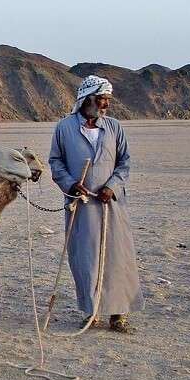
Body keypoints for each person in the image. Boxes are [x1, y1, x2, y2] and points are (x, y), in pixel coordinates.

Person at [48, 75, 144, 333]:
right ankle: (92, 312)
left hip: (111, 204)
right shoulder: (64, 128)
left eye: (108, 100)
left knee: (117, 258)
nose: (106, 105)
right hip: (81, 206)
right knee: (86, 259)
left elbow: (124, 162)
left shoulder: (114, 127)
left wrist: (111, 186)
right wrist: (70, 184)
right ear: (87, 99)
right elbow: (55, 162)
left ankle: (118, 315)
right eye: (102, 99)